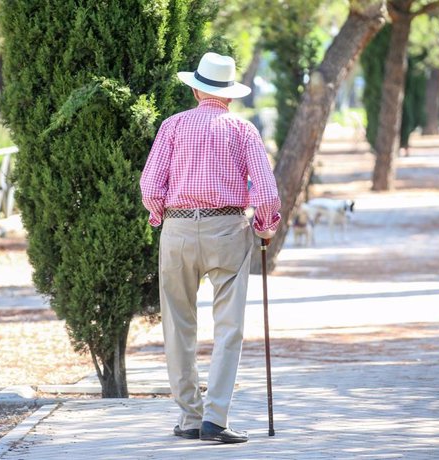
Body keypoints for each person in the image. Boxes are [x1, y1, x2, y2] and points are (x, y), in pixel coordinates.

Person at [140, 52, 281, 444]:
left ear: (195, 88)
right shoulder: (243, 130)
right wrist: (266, 227)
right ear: (230, 95)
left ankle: (188, 416)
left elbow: (150, 187)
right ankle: (215, 419)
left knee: (178, 325)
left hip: (178, 230)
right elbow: (267, 192)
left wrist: (161, 217)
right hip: (228, 230)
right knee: (229, 326)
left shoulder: (172, 125)